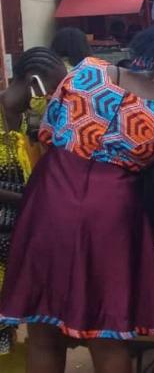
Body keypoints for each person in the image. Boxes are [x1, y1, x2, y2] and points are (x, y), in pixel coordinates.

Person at [0, 19, 154, 373]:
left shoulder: (86, 72)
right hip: (114, 212)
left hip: (51, 200)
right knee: (108, 334)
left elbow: (47, 130)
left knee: (44, 331)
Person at [0, 48, 66, 363]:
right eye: (50, 89)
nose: (52, 96)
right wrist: (31, 198)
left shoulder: (27, 118)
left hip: (17, 236)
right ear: (33, 81)